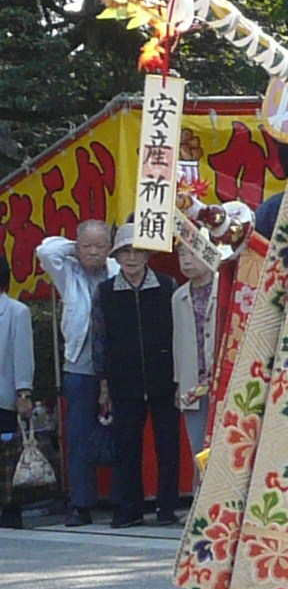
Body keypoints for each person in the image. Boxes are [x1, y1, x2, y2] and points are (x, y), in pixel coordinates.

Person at [92, 222, 179, 528]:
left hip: (164, 377)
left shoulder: (167, 286)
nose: (131, 258)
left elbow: (178, 335)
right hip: (123, 380)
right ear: (116, 256)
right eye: (125, 251)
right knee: (126, 446)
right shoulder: (105, 292)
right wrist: (103, 381)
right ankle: (129, 508)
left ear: (147, 255)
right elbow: (99, 338)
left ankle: (167, 508)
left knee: (168, 445)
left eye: (138, 251)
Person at [37, 220, 117, 527]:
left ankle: (121, 499)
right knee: (79, 435)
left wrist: (94, 247)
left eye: (100, 246)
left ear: (110, 248)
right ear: (77, 246)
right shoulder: (67, 269)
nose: (94, 252)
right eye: (88, 246)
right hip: (79, 364)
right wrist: (76, 247)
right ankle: (81, 503)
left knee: (119, 431)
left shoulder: (116, 268)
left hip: (115, 362)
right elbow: (45, 250)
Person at [172, 240, 217, 487]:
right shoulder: (178, 296)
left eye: (193, 253)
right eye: (182, 254)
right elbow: (177, 342)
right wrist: (180, 383)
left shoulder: (226, 285)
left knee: (226, 445)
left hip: (223, 379)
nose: (187, 260)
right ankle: (200, 502)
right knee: (199, 446)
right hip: (193, 383)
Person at [0, 254, 35, 529]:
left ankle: (11, 510)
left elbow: (22, 354)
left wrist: (23, 392)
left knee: (7, 456)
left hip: (4, 396)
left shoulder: (15, 311)